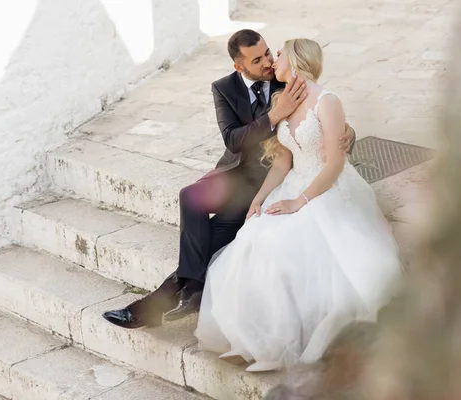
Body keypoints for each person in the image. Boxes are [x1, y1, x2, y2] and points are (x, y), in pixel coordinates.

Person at [102, 30, 355, 329]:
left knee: (214, 238)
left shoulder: (285, 77)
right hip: (237, 173)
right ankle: (191, 289)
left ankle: (158, 303)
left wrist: (349, 134)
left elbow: (322, 116)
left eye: (269, 53)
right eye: (258, 59)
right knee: (190, 196)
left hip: (273, 177)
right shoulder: (224, 88)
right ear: (240, 66)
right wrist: (274, 117)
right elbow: (233, 140)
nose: (269, 63)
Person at [194, 38, 402, 372]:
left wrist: (298, 201)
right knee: (252, 240)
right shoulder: (284, 99)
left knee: (285, 250)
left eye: (278, 54)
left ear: (294, 59)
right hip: (292, 184)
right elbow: (282, 162)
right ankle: (251, 342)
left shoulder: (327, 101)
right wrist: (259, 200)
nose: (273, 59)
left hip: (326, 188)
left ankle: (276, 349)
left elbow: (334, 163)